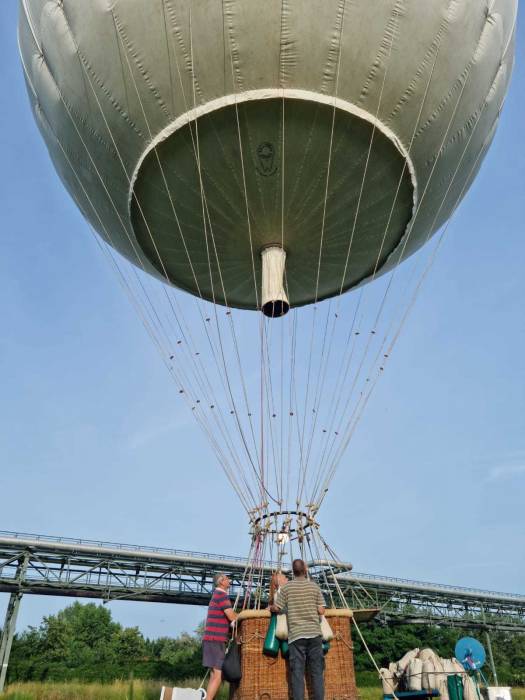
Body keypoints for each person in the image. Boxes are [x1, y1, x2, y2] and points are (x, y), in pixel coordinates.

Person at [271, 559, 326, 700]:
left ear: (293, 571)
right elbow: (321, 610)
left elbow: (277, 607)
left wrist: (271, 608)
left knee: (297, 674)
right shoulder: (314, 587)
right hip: (314, 634)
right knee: (317, 672)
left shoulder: (287, 588)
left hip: (296, 635)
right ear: (306, 569)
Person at [202, 572, 238, 700]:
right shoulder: (222, 595)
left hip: (210, 639)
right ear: (221, 582)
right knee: (218, 674)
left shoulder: (216, 595)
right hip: (216, 639)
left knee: (213, 675)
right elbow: (231, 616)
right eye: (227, 579)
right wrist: (244, 617)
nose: (229, 580)